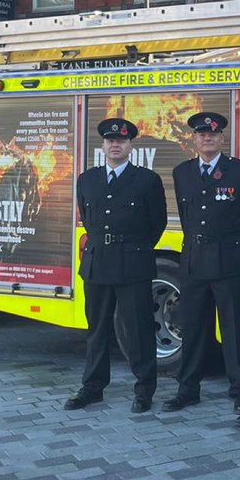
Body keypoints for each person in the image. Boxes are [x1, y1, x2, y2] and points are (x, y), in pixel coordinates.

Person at [65, 118, 168, 414]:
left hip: (132, 262)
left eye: (121, 141)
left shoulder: (147, 180)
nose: (115, 145)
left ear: (130, 146)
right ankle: (92, 387)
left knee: (138, 329)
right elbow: (87, 217)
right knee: (96, 329)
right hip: (97, 263)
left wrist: (133, 247)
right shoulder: (87, 180)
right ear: (103, 145)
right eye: (110, 141)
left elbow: (156, 224)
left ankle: (144, 388)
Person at [163, 112, 240, 415]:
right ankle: (188, 389)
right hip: (193, 263)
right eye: (202, 134)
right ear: (194, 139)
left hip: (229, 263)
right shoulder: (182, 172)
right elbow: (189, 217)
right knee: (193, 329)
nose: (208, 138)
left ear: (222, 139)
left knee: (234, 332)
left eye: (213, 134)